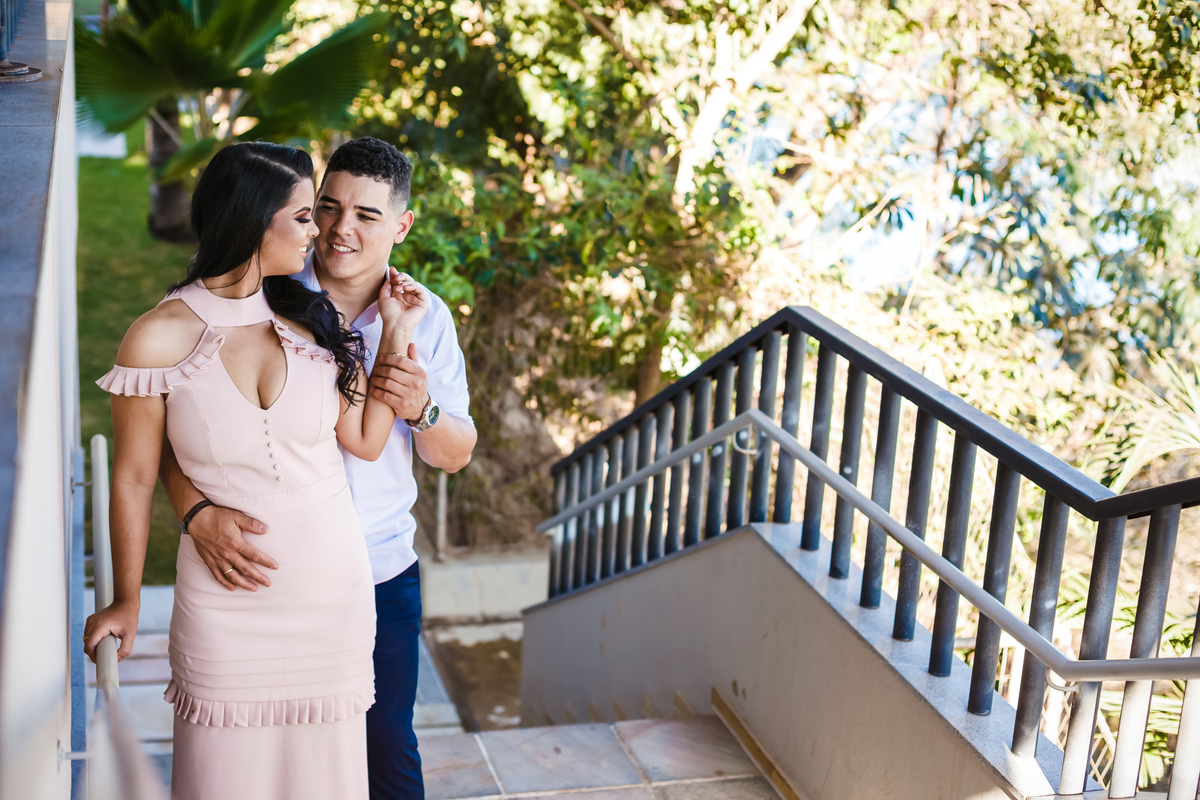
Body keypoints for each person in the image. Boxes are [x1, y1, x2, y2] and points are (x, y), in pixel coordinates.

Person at [83, 141, 429, 798]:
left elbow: (364, 437)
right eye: (305, 215)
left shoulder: (312, 320)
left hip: (334, 602)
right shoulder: (157, 336)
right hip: (225, 609)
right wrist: (125, 600)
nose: (320, 232)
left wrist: (398, 328)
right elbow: (132, 475)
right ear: (255, 218)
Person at [158, 137, 478, 799]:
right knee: (265, 760)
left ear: (401, 225)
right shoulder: (266, 291)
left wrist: (421, 410)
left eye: (365, 214)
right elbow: (173, 434)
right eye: (327, 207)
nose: (339, 229)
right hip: (269, 572)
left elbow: (456, 452)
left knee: (385, 749)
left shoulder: (426, 318)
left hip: (379, 568)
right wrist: (196, 512)